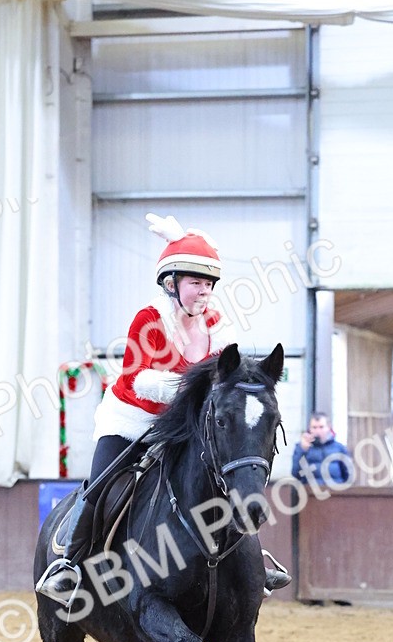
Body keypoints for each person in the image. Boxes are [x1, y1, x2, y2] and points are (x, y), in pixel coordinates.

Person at [36, 213, 290, 603]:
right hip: (132, 419)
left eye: (208, 284)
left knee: (226, 472)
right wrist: (190, 388)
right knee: (102, 483)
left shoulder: (219, 323)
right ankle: (70, 564)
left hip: (185, 424)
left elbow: (227, 380)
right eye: (195, 283)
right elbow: (138, 377)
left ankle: (253, 560)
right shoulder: (149, 319)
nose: (203, 291)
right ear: (172, 284)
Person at [291, 412, 353, 486]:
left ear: (329, 427)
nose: (318, 431)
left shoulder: (339, 448)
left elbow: (349, 475)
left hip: (336, 494)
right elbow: (295, 474)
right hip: (311, 493)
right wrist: (303, 451)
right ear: (309, 429)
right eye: (314, 427)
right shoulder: (301, 448)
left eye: (321, 427)